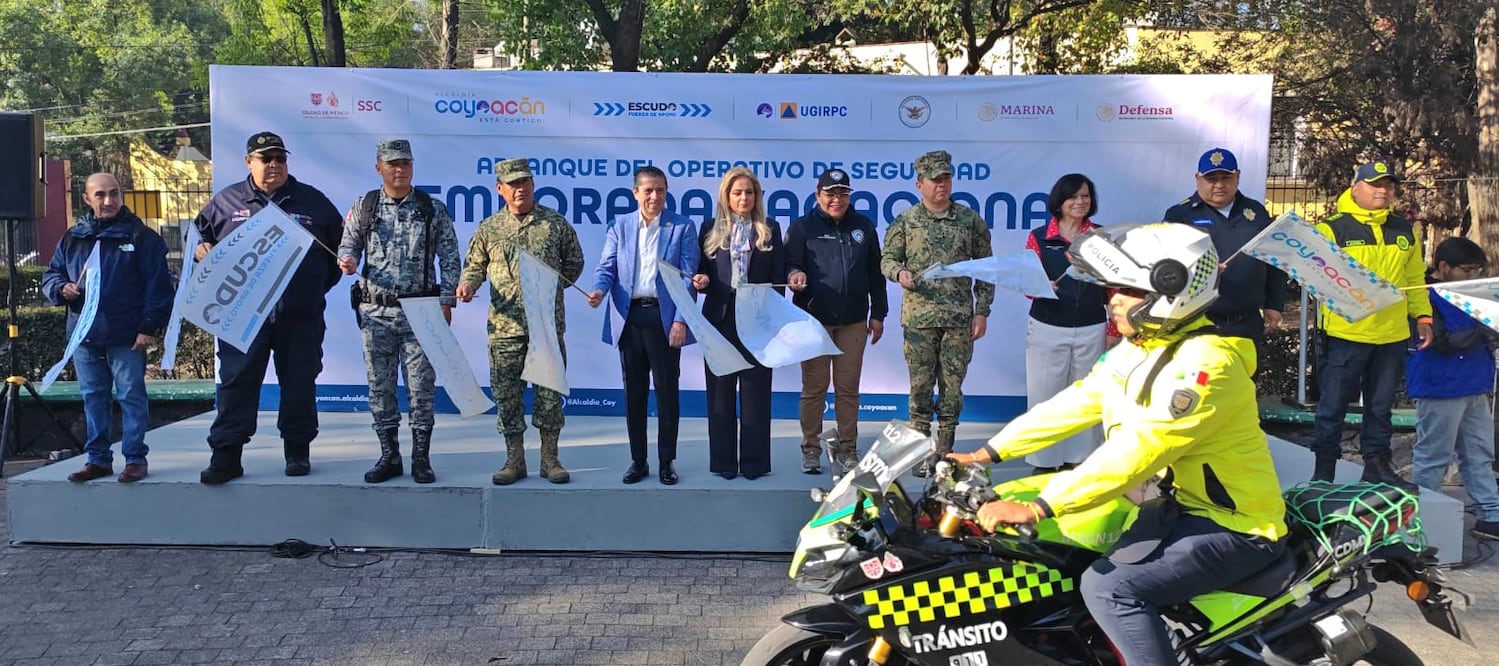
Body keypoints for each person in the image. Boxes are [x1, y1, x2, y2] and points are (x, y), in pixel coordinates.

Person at [949, 222, 1288, 666]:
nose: (1113, 300)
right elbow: (1078, 402)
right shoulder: (1143, 347)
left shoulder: (1207, 366)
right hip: (1175, 505)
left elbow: (1140, 450)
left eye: (1127, 290)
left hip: (1235, 525)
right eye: (1113, 289)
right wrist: (985, 453)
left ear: (1171, 293)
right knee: (1056, 553)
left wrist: (1039, 506)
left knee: (1109, 588)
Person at [193, 132, 343, 484]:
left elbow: (340, 252)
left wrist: (310, 288)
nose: (274, 164)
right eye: (265, 158)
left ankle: (297, 451)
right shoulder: (227, 201)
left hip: (300, 315)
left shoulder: (313, 201)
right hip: (242, 316)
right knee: (236, 384)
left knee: (300, 383)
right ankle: (227, 456)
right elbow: (198, 239)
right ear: (249, 162)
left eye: (279, 158)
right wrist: (201, 249)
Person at [337, 139, 462, 485]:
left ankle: (421, 457)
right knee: (380, 386)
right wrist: (346, 258)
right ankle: (389, 455)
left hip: (420, 311)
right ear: (379, 167)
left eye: (405, 163)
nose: (399, 169)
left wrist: (447, 300)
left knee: (421, 388)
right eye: (392, 163)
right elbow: (348, 243)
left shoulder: (430, 208)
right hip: (375, 311)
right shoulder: (365, 206)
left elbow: (450, 256)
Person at [458, 157, 584, 485]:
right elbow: (474, 265)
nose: (520, 189)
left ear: (533, 185)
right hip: (505, 328)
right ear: (500, 189)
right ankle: (515, 460)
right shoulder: (489, 228)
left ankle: (550, 459)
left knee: (549, 393)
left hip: (545, 327)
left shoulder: (554, 224)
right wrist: (469, 284)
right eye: (513, 184)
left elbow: (575, 263)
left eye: (525, 182)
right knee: (507, 395)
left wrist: (551, 290)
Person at [41, 173, 173, 483]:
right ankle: (97, 459)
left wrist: (149, 327)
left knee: (131, 396)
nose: (108, 201)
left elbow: (159, 288)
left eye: (114, 194)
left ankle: (135, 459)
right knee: (93, 396)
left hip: (127, 337)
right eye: (100, 195)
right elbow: (51, 275)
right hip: (84, 336)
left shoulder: (143, 237)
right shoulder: (73, 237)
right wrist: (62, 288)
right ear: (86, 198)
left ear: (122, 195)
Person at [1309, 160, 1430, 486]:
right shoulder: (1331, 228)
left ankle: (1376, 466)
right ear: (1355, 188)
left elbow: (1414, 277)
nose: (1383, 191)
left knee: (1380, 408)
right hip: (1346, 333)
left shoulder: (1404, 229)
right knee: (1332, 406)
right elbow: (1316, 280)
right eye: (1376, 184)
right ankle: (1323, 471)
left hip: (1391, 334)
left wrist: (1423, 316)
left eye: (1388, 185)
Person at [880, 150, 993, 474]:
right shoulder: (906, 221)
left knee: (952, 388)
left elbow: (986, 269)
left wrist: (982, 311)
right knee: (919, 386)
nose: (941, 184)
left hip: (958, 319)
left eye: (946, 178)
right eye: (934, 179)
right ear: (920, 184)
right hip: (919, 319)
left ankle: (944, 452)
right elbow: (887, 259)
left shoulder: (970, 220)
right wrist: (899, 273)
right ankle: (918, 451)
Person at [587, 166, 700, 486]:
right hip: (630, 318)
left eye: (660, 190)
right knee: (633, 394)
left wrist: (680, 320)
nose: (654, 197)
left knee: (667, 393)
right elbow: (606, 267)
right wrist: (598, 290)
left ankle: (667, 461)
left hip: (664, 319)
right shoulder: (620, 226)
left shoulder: (682, 227)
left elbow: (689, 278)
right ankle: (638, 461)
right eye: (648, 191)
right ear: (635, 192)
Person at [785, 168, 887, 474]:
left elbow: (875, 274)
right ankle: (811, 448)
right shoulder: (803, 228)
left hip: (854, 321)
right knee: (814, 389)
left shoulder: (864, 226)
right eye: (830, 193)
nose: (836, 199)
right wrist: (793, 275)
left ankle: (848, 447)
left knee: (848, 389)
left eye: (843, 193)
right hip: (813, 322)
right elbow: (789, 265)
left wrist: (878, 314)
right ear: (818, 195)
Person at [694, 166, 786, 480]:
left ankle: (754, 464)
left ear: (757, 196)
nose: (743, 197)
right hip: (719, 318)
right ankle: (723, 463)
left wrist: (791, 280)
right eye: (737, 192)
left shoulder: (769, 229)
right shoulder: (709, 228)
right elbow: (699, 272)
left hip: (758, 320)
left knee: (756, 392)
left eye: (749, 192)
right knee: (719, 393)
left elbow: (779, 278)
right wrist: (701, 281)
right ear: (726, 196)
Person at [1023, 173, 1116, 473]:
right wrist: (1041, 285)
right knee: (1044, 396)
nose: (1080, 202)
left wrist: (1114, 330)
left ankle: (1081, 462)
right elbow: (1025, 283)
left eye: (1085, 196)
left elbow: (1115, 286)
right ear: (1059, 202)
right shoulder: (1039, 237)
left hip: (1091, 327)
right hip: (1047, 327)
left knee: (1086, 397)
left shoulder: (1102, 237)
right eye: (1073, 196)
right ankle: (1043, 463)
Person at [1407, 237, 1499, 540]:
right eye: (1467, 270)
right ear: (1443, 267)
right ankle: (1424, 517)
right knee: (1434, 456)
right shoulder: (1424, 295)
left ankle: (1490, 513)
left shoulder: (1469, 292)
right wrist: (1484, 327)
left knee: (1479, 453)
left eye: (1478, 271)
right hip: (1440, 384)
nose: (1473, 277)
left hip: (1473, 382)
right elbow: (1441, 340)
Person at [1163, 148, 1288, 352]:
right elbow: (1168, 267)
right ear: (1198, 179)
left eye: (1226, 177)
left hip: (1246, 324)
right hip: (1198, 323)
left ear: (1237, 176)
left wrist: (1274, 304)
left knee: (1246, 383)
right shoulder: (1180, 215)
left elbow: (1275, 261)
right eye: (1212, 179)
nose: (1219, 185)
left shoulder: (1256, 212)